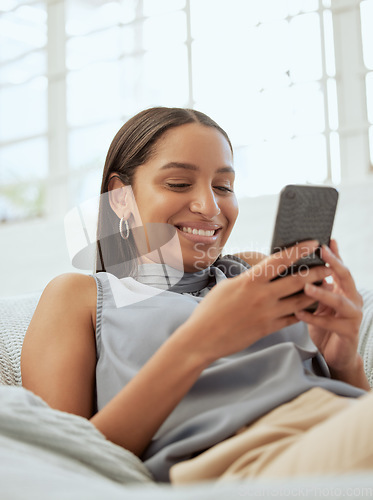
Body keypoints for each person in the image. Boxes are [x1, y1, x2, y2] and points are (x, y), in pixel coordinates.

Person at [21, 107, 372, 484]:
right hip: (244, 460)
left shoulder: (253, 271)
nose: (210, 207)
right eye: (178, 183)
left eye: (223, 187)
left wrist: (342, 359)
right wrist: (199, 341)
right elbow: (59, 466)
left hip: (342, 423)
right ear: (120, 198)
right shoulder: (80, 297)